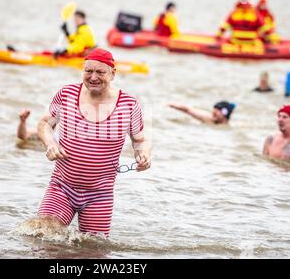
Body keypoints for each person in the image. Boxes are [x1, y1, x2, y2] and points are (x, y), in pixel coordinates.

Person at [35, 48, 151, 237]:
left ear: (113, 74)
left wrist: (144, 155)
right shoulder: (67, 94)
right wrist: (50, 144)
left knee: (93, 250)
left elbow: (141, 140)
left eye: (100, 72)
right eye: (88, 71)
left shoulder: (129, 104)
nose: (93, 77)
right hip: (62, 186)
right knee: (44, 236)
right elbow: (44, 124)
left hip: (100, 195)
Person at [168, 101, 236, 125]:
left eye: (215, 114)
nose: (213, 115)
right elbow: (187, 109)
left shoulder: (234, 125)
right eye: (213, 113)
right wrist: (173, 105)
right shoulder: (207, 118)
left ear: (225, 113)